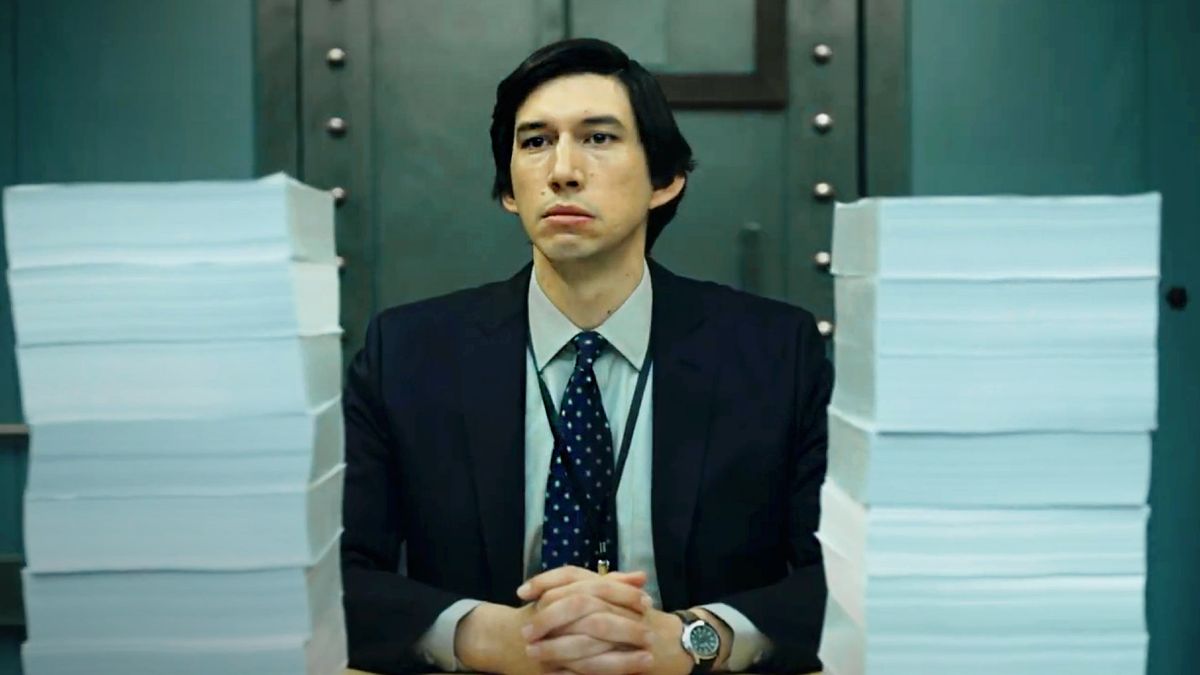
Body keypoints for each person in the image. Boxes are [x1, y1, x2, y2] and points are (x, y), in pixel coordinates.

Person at [341, 38, 832, 675]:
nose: (563, 170)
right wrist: (484, 636)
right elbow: (337, 577)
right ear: (509, 191)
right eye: (535, 141)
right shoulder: (405, 354)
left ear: (665, 180)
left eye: (598, 138)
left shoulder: (776, 353)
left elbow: (841, 581)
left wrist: (693, 640)